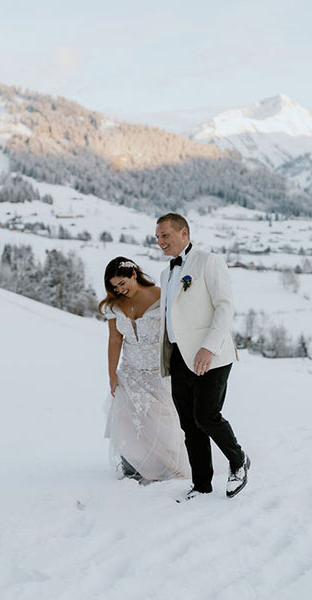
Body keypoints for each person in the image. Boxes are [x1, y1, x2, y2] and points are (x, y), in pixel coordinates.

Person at [156, 213, 250, 501]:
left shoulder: (209, 261)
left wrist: (208, 346)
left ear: (183, 232)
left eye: (165, 236)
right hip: (179, 358)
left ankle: (238, 461)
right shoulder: (166, 273)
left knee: (206, 416)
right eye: (157, 237)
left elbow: (225, 307)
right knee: (189, 424)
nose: (160, 242)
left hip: (212, 355)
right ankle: (201, 485)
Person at [99, 257, 189, 483]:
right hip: (130, 370)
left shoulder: (162, 295)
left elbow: (178, 329)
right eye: (114, 286)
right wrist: (112, 374)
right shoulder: (114, 305)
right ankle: (134, 466)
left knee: (163, 420)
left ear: (134, 275)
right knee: (128, 419)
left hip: (159, 370)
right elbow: (114, 340)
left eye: (122, 283)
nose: (120, 289)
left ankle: (169, 465)